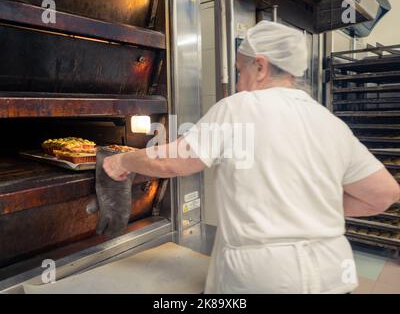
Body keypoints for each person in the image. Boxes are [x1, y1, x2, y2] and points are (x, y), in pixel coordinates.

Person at [103, 21, 399, 293]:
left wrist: (122, 161)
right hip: (334, 276)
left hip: (264, 280)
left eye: (239, 70)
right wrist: (312, 208)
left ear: (260, 67)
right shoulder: (331, 124)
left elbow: (173, 161)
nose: (238, 80)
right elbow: (383, 193)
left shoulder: (240, 108)